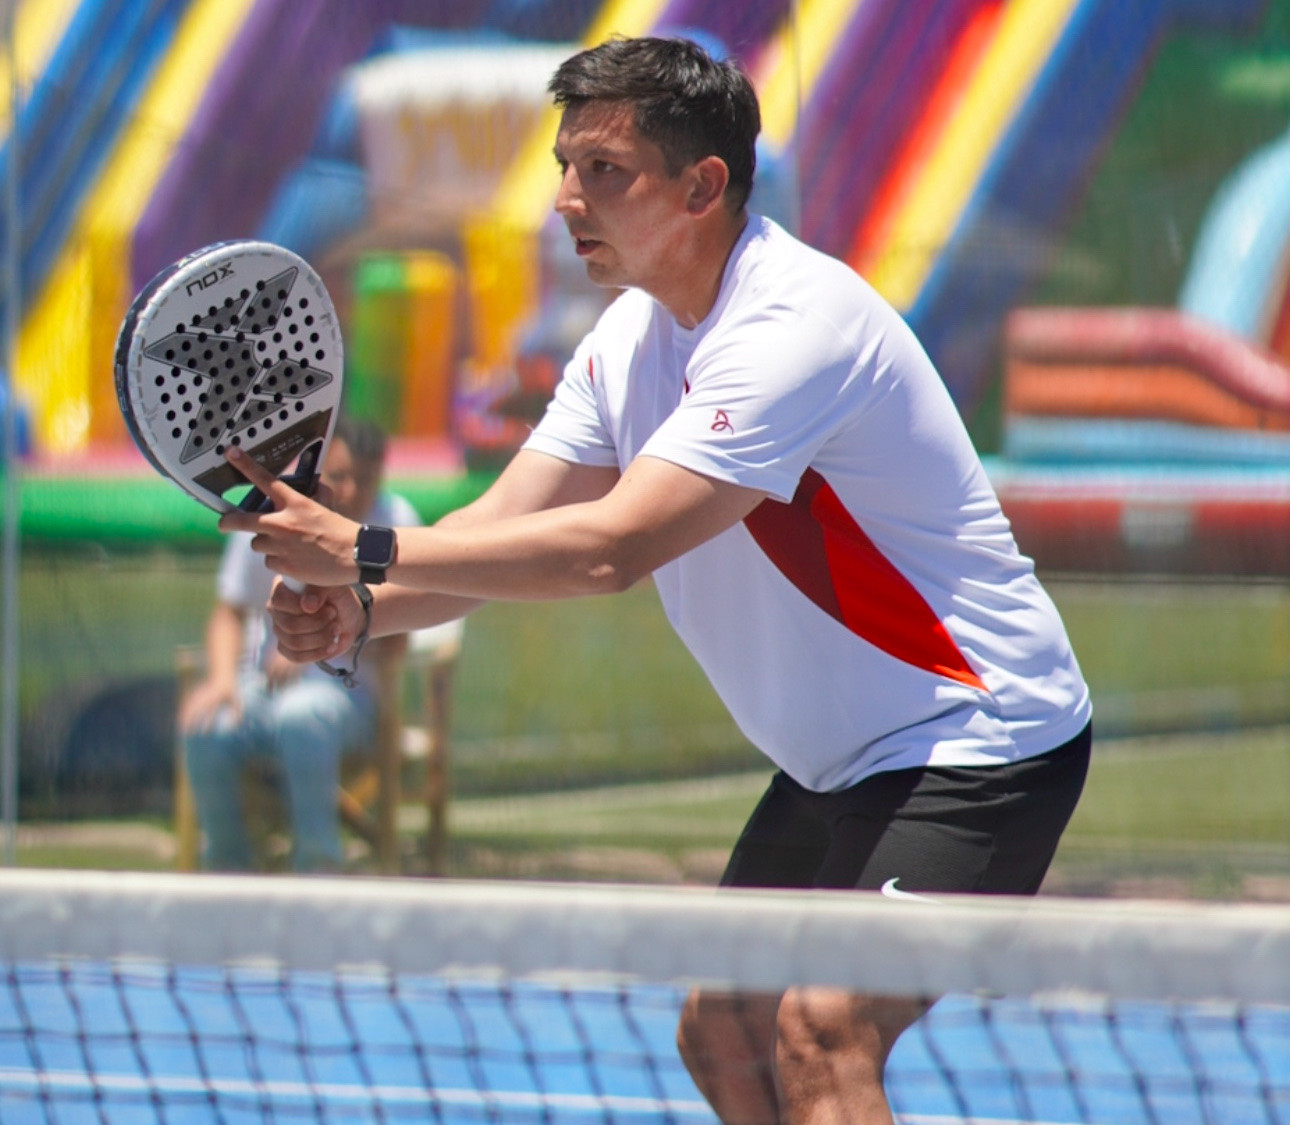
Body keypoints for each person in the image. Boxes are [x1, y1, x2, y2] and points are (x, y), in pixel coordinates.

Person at [218, 36, 1093, 1123]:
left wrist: (362, 553)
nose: (564, 200)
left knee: (824, 1028)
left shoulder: (793, 329)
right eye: (564, 167)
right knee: (723, 1032)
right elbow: (497, 530)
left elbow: (608, 550)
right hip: (836, 765)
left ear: (702, 187)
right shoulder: (626, 340)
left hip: (979, 746)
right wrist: (358, 612)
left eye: (604, 171)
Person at [180, 416, 420, 873]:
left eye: (366, 480)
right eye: (341, 477)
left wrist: (316, 645)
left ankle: (317, 867)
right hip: (264, 686)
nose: (352, 492)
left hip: (349, 695)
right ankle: (227, 871)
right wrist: (222, 679)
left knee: (302, 717)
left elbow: (399, 637)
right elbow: (229, 610)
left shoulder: (394, 523)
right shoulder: (281, 517)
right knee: (207, 725)